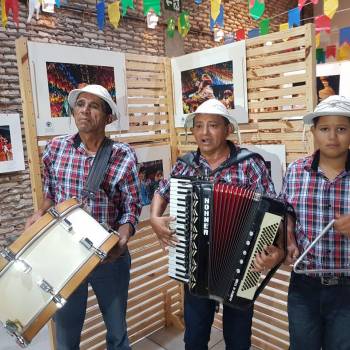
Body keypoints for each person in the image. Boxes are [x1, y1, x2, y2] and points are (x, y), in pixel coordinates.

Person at [150, 98, 285, 350]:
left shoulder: (249, 164)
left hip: (240, 265)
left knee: (238, 339)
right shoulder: (185, 164)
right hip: (193, 262)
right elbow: (162, 191)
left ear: (227, 130)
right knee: (195, 337)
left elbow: (274, 210)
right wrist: (155, 219)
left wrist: (275, 248)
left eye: (212, 125)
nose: (204, 132)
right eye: (198, 126)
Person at [25, 84, 141, 350]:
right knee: (66, 336)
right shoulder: (55, 148)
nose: (85, 111)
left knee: (117, 333)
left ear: (108, 117)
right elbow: (50, 194)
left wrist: (122, 238)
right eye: (80, 104)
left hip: (109, 258)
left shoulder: (122, 155)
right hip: (65, 257)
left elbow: (131, 207)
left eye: (94, 106)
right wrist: (40, 213)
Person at [280, 95, 350, 350]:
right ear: (313, 132)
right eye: (324, 129)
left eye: (341, 129)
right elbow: (286, 211)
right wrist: (288, 239)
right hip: (304, 285)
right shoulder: (296, 170)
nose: (332, 137)